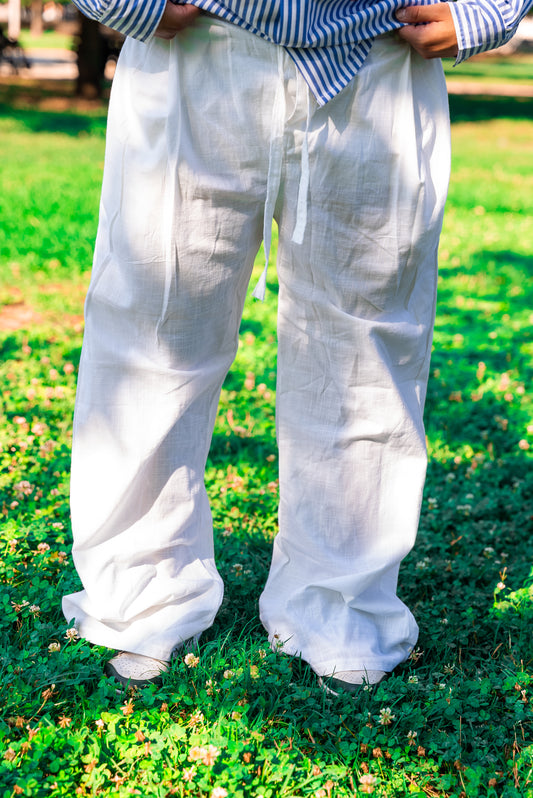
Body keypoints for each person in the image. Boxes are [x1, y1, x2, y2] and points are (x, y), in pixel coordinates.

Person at [63, 0, 533, 692]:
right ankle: (139, 596)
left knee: (365, 351)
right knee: (151, 334)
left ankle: (341, 606)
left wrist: (485, 8)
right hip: (193, 48)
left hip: (378, 52)